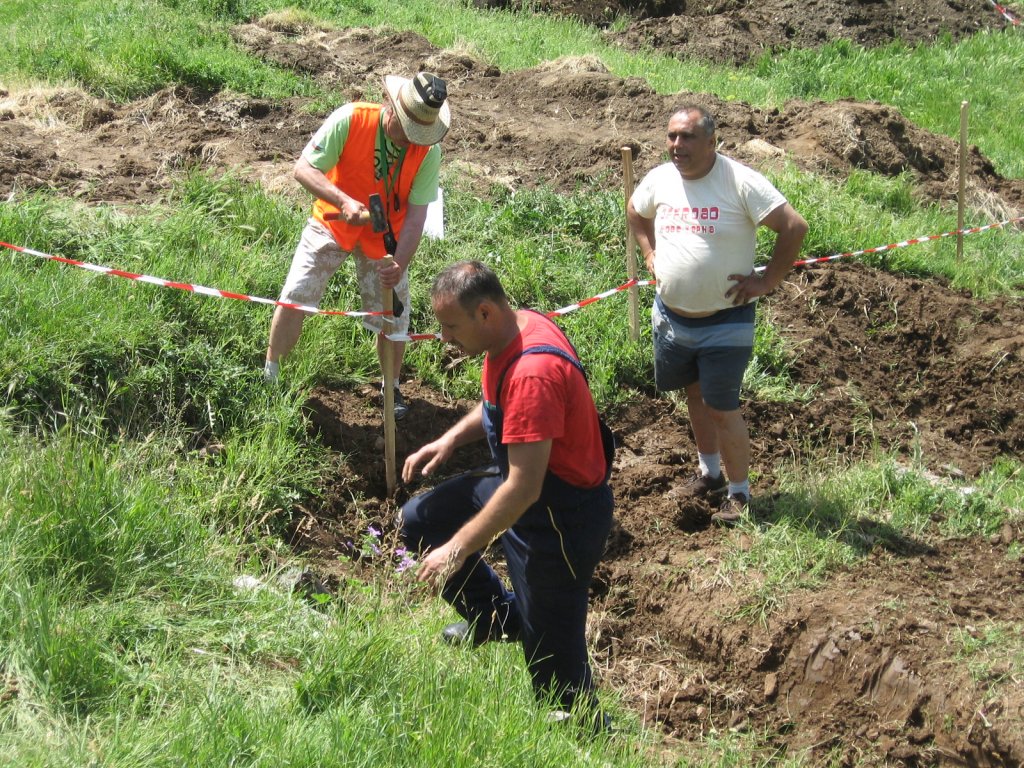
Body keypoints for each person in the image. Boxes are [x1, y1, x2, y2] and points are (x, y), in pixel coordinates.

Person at [400, 260, 615, 729]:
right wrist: (451, 439)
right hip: (526, 485)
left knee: (554, 672)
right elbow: (498, 405)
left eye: (450, 326)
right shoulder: (516, 329)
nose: (444, 338)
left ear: (484, 314)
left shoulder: (533, 373)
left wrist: (455, 551)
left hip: (559, 517)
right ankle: (499, 618)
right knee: (419, 520)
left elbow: (523, 489)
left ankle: (588, 737)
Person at [627, 105, 808, 525]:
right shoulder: (659, 179)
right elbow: (636, 211)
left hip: (726, 320)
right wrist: (650, 252)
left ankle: (740, 494)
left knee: (722, 405)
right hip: (673, 318)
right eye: (672, 136)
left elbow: (794, 227)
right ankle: (708, 473)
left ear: (712, 141)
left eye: (687, 137)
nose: (677, 145)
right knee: (694, 395)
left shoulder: (739, 182)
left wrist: (767, 282)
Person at [263, 72, 451, 420]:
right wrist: (343, 201)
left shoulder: (428, 152)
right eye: (407, 129)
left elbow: (416, 216)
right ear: (390, 106)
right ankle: (271, 377)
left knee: (394, 314)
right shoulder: (350, 119)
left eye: (419, 133)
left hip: (387, 236)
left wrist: (399, 263)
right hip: (333, 220)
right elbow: (304, 169)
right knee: (296, 292)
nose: (412, 140)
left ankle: (391, 387)